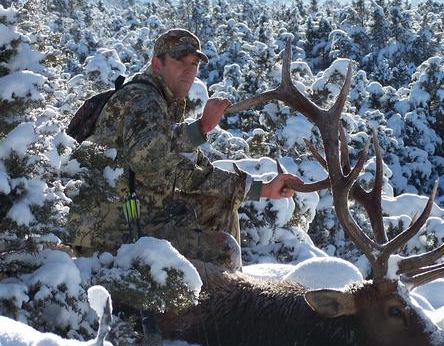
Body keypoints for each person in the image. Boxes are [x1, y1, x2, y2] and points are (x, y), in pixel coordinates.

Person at [67, 28, 302, 271]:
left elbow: (190, 172)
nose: (189, 71)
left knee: (218, 203)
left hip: (130, 219)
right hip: (108, 235)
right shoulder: (142, 100)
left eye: (194, 64)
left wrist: (263, 189)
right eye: (180, 62)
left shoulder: (159, 101)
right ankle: (223, 302)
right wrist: (199, 128)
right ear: (157, 64)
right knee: (224, 249)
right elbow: (145, 158)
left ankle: (208, 296)